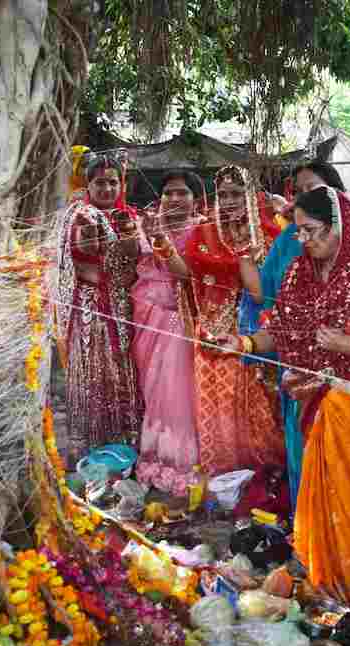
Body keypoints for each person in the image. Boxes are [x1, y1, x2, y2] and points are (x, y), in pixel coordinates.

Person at [216, 187, 350, 606]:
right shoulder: (300, 272)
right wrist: (243, 344)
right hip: (315, 406)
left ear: (339, 224)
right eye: (297, 231)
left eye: (311, 230)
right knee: (319, 498)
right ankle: (327, 581)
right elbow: (281, 331)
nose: (303, 240)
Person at [158, 166, 285, 475]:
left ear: (251, 196)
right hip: (211, 332)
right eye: (223, 195)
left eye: (236, 194)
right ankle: (225, 474)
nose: (228, 201)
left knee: (253, 409)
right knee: (217, 408)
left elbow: (261, 296)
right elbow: (185, 274)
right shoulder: (205, 233)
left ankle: (262, 475)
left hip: (252, 338)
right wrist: (161, 242)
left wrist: (244, 254)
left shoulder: (269, 234)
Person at [238, 160, 346, 511]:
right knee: (303, 452)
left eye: (312, 189)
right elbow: (270, 302)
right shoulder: (292, 246)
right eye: (297, 190)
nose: (305, 238)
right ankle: (308, 538)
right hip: (297, 375)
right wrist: (247, 342)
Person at [53, 153, 144, 459]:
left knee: (122, 371)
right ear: (88, 185)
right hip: (94, 310)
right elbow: (87, 264)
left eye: (112, 182)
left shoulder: (127, 215)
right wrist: (124, 252)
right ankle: (92, 446)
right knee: (96, 372)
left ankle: (124, 445)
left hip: (122, 307)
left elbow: (133, 262)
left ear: (121, 185)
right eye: (100, 182)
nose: (106, 188)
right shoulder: (82, 216)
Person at [128, 176, 203, 492]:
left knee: (176, 389)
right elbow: (129, 259)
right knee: (154, 388)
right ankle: (155, 455)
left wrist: (159, 238)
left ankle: (180, 462)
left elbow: (186, 273)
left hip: (179, 317)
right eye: (167, 192)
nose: (173, 198)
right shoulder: (147, 226)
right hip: (146, 316)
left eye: (181, 192)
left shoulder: (202, 229)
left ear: (195, 199)